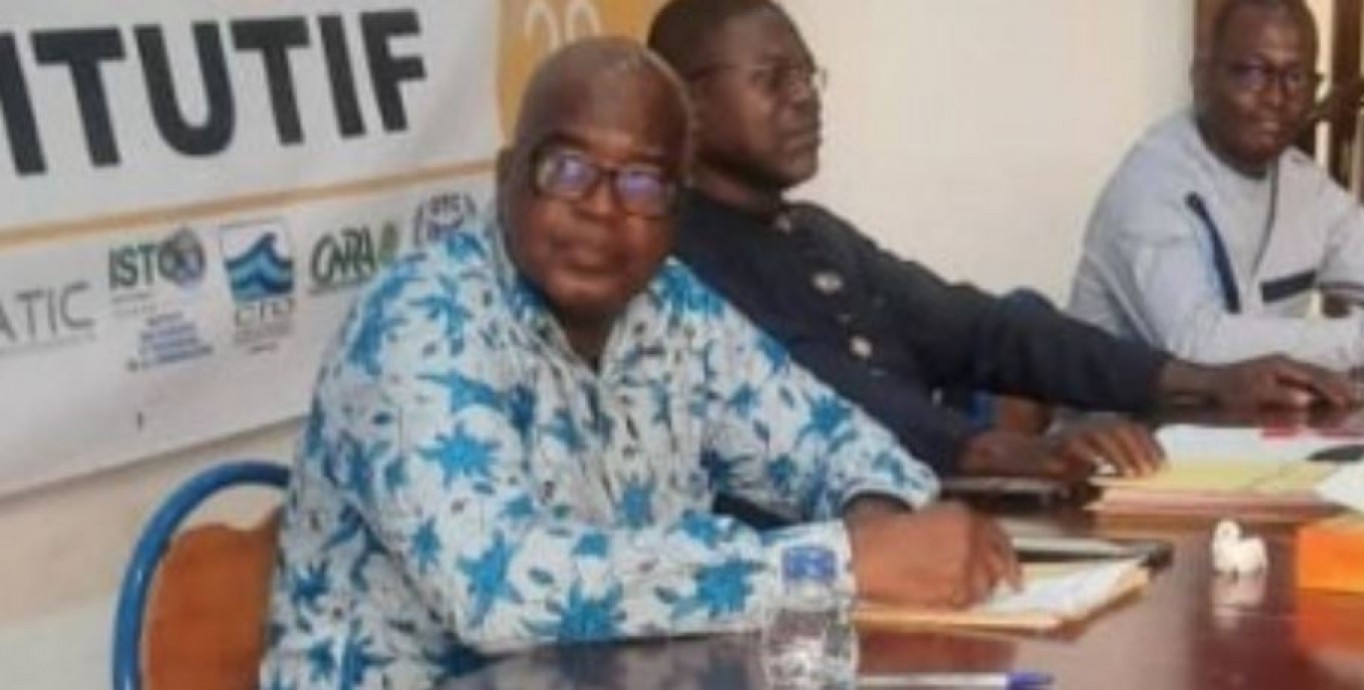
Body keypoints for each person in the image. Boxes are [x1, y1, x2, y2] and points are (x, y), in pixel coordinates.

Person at [259, 38, 1016, 690]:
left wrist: (876, 529)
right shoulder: (418, 321)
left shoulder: (674, 307)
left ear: (676, 211)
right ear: (506, 175)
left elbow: (843, 445)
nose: (601, 208)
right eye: (567, 169)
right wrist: (838, 564)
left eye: (642, 183)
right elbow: (499, 586)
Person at [645, 0, 1356, 482]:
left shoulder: (813, 233)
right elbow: (820, 389)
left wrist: (1204, 379)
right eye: (773, 79)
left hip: (934, 514)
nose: (805, 96)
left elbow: (982, 328)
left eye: (807, 74)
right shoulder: (673, 256)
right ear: (685, 103)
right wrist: (1007, 452)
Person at [1069, 0, 1364, 371]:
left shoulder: (1306, 188)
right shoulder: (1152, 184)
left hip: (1243, 423)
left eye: (1295, 77)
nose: (1277, 98)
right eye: (1253, 73)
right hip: (1120, 423)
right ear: (1201, 77)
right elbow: (1198, 344)